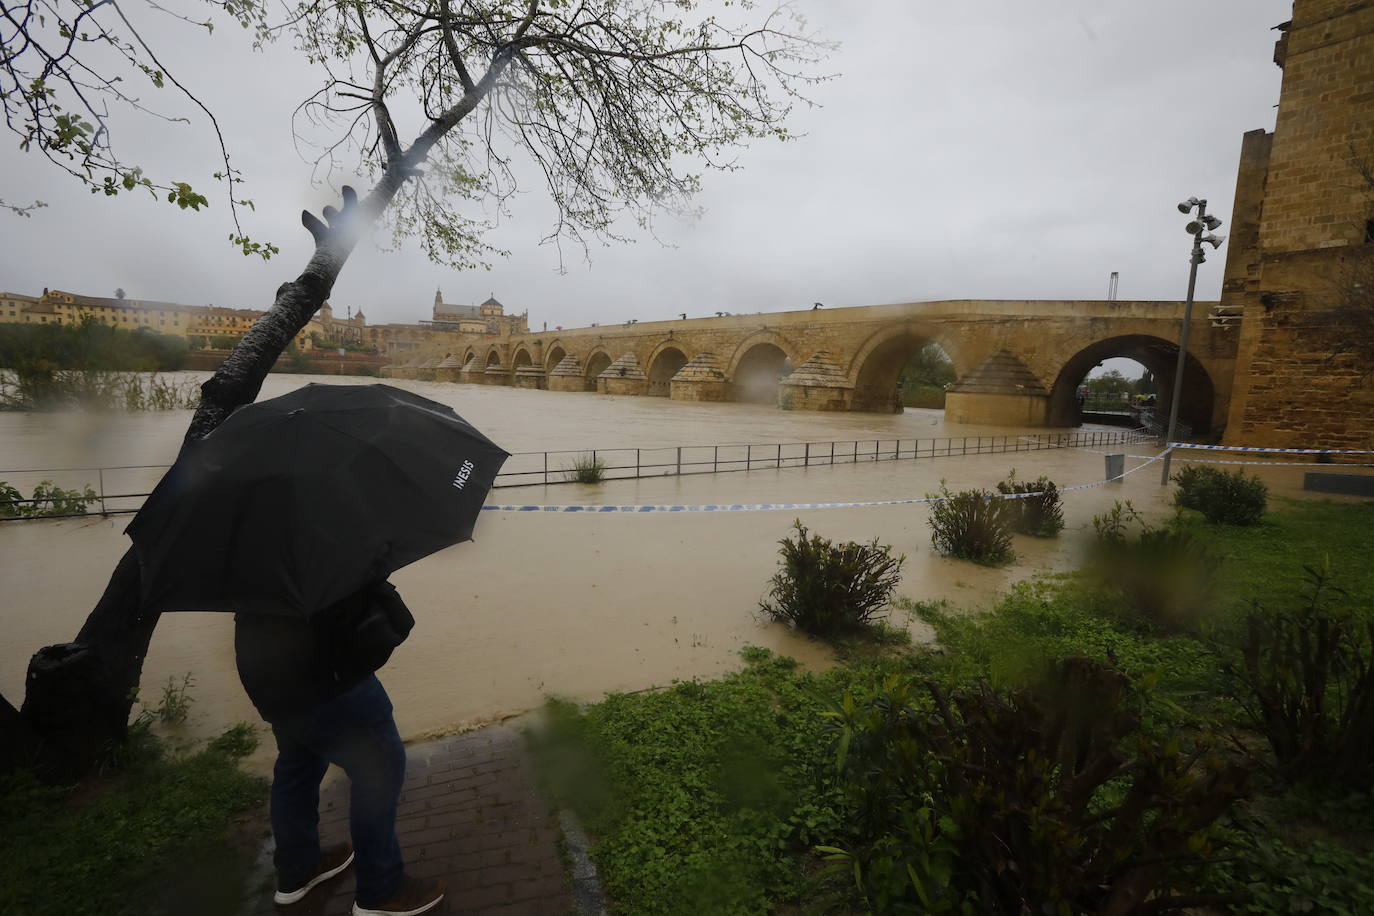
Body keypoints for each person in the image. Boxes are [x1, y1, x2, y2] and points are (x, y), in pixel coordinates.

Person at [234, 580, 446, 916]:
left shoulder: (243, 545)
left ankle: (298, 870)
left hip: (267, 674)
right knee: (379, 768)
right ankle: (382, 889)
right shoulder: (310, 535)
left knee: (297, 767)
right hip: (324, 675)